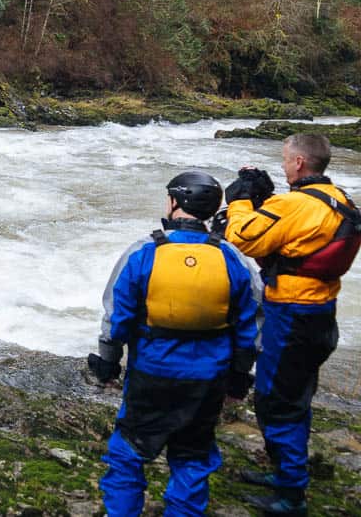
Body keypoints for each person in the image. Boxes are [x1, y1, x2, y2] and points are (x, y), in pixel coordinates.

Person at [88, 170, 260, 516]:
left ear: (174, 202)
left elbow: (116, 316)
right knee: (193, 457)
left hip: (152, 373)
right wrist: (240, 376)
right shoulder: (232, 257)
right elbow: (251, 324)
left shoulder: (143, 251)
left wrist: (108, 362)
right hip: (208, 379)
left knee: (127, 455)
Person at [221, 133, 358, 516]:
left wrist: (242, 200)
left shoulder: (294, 204)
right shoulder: (340, 200)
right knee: (295, 396)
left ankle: (291, 496)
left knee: (278, 399)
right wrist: (265, 203)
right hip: (320, 314)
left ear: (299, 163)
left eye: (285, 160)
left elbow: (241, 237)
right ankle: (286, 475)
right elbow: (293, 237)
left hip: (292, 317)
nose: (283, 167)